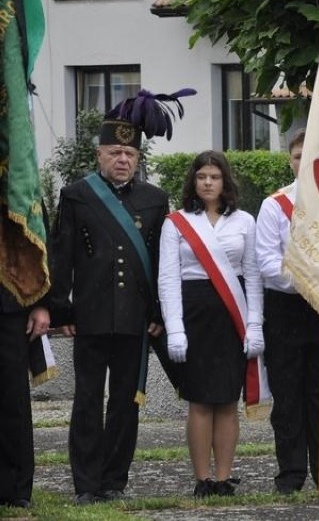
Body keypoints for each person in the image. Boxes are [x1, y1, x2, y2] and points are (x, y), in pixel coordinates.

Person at [51, 89, 194, 505]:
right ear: (99, 155)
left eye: (129, 154)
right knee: (87, 402)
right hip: (90, 317)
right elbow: (63, 255)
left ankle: (114, 480)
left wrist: (158, 315)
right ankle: (86, 483)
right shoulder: (78, 194)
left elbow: (161, 262)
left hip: (135, 319)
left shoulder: (154, 200)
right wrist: (62, 309)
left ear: (137, 158)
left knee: (126, 404)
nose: (122, 160)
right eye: (114, 152)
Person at [158, 151, 264, 497]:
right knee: (200, 401)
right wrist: (174, 328)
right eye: (202, 176)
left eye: (214, 177)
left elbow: (253, 275)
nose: (207, 182)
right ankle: (202, 479)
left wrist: (255, 324)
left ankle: (223, 478)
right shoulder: (176, 222)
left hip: (231, 315)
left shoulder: (245, 221)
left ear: (225, 181)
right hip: (193, 316)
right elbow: (168, 279)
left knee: (227, 401)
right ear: (193, 181)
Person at [256, 130, 319, 494]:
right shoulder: (274, 206)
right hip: (288, 310)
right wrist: (308, 281)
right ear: (290, 160)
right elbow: (266, 262)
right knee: (289, 398)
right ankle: (291, 475)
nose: (302, 163)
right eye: (297, 157)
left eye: (309, 157)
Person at [0, 249, 52, 509]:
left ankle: (15, 488)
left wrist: (41, 304)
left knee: (13, 399)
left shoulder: (21, 204)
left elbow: (37, 241)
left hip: (11, 301)